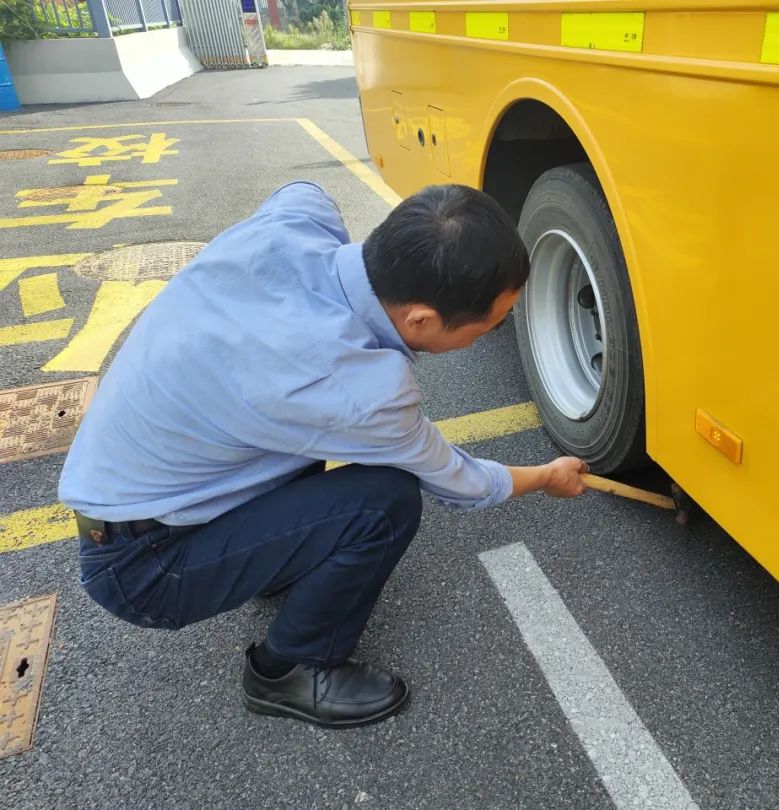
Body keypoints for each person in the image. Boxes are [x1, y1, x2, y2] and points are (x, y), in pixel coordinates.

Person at [58, 181, 590, 729]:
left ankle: (273, 567)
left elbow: (299, 189)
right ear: (422, 321)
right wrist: (547, 475)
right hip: (145, 569)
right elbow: (461, 481)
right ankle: (288, 671)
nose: (495, 330)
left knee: (311, 448)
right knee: (385, 499)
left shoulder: (295, 224)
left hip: (133, 504)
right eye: (492, 323)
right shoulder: (358, 387)